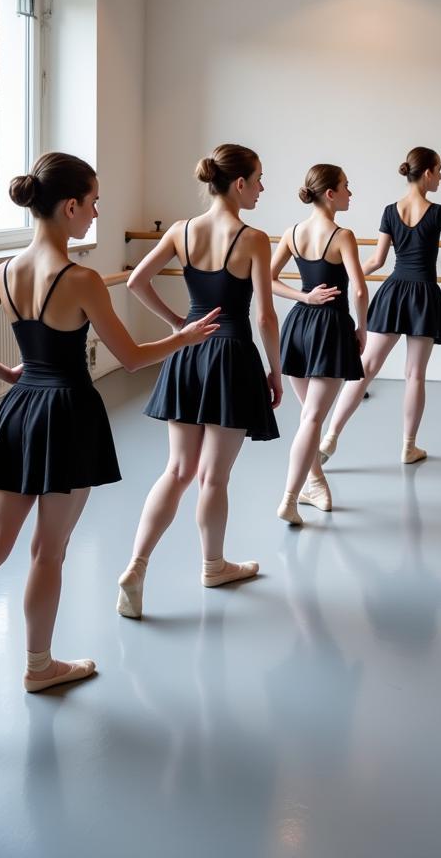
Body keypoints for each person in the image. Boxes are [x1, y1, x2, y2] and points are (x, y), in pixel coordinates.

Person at [0, 152, 219, 747]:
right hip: (69, 413)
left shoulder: (4, 271)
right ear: (70, 206)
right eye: (95, 201)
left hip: (22, 408)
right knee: (46, 552)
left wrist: (10, 375)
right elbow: (131, 357)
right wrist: (181, 338)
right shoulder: (78, 279)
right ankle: (38, 665)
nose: (98, 211)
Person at [117, 144, 281, 617]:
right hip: (231, 356)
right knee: (214, 476)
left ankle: (137, 564)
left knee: (177, 470)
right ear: (239, 184)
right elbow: (267, 318)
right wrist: (274, 370)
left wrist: (179, 328)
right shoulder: (253, 238)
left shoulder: (181, 231)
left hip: (189, 355)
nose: (262, 189)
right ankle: (213, 565)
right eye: (259, 179)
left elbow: (135, 282)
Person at [321, 146, 441, 465]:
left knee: (366, 367)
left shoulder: (390, 210)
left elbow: (375, 260)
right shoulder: (437, 212)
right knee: (414, 374)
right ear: (426, 172)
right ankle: (408, 447)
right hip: (423, 295)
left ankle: (330, 437)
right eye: (439, 170)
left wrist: (343, 276)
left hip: (393, 292)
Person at [270, 164, 368, 525]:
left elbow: (267, 279)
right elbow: (358, 288)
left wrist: (303, 296)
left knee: (308, 418)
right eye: (346, 186)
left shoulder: (292, 233)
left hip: (299, 326)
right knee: (312, 418)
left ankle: (315, 481)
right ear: (330, 194)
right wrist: (363, 328)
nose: (350, 193)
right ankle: (290, 498)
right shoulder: (343, 235)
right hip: (330, 329)